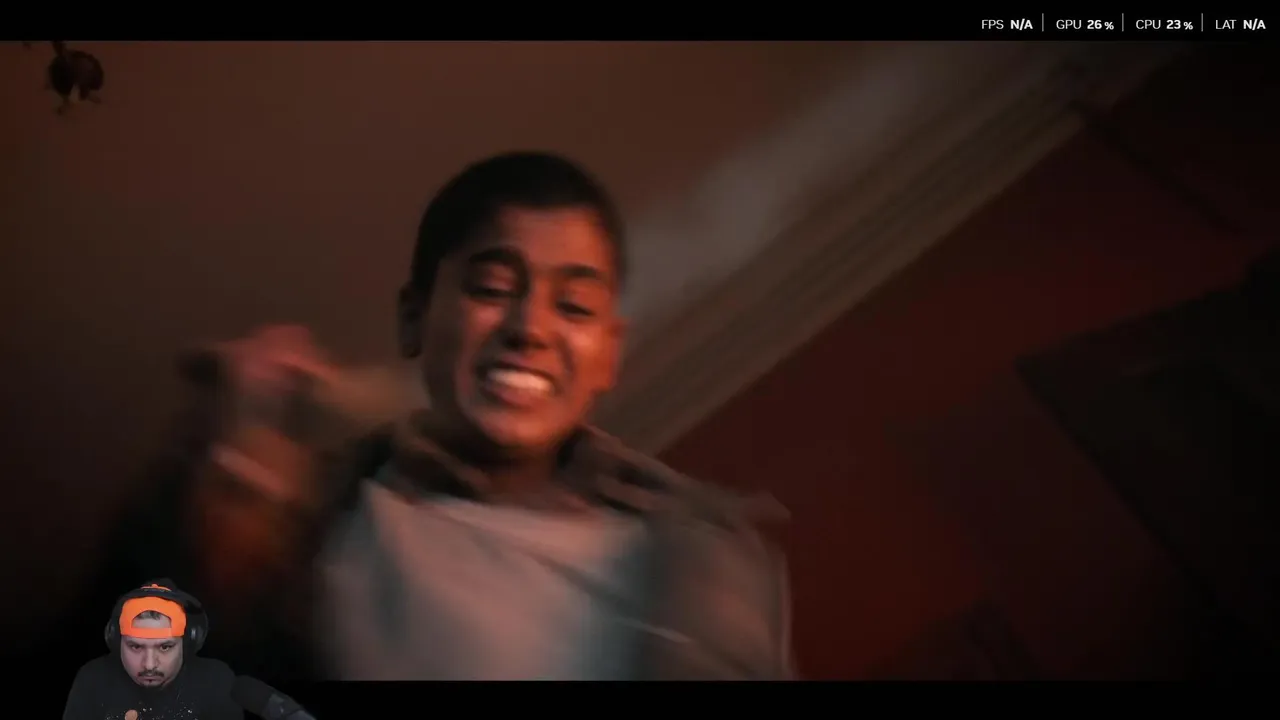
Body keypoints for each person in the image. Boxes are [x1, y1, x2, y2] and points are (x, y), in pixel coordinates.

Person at [73, 151, 795, 681]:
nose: (530, 329)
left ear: (609, 353)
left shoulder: (710, 558)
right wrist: (218, 464)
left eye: (574, 306)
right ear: (414, 318)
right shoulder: (319, 534)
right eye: (492, 288)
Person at [62, 581, 242, 720]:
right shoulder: (93, 681)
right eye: (135, 647)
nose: (149, 665)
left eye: (165, 647)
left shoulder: (216, 682)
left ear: (187, 643)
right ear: (117, 641)